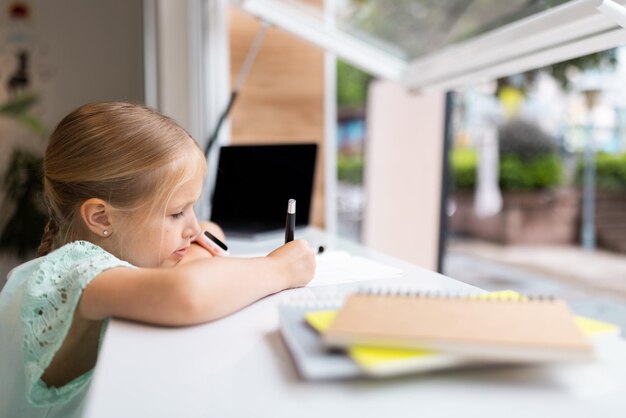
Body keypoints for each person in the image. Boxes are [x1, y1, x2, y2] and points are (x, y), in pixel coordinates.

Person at [0, 102, 316, 418]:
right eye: (177, 213)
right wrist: (280, 269)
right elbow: (185, 294)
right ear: (101, 217)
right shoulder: (74, 271)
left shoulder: (105, 255)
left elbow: (208, 232)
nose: (192, 227)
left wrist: (195, 240)